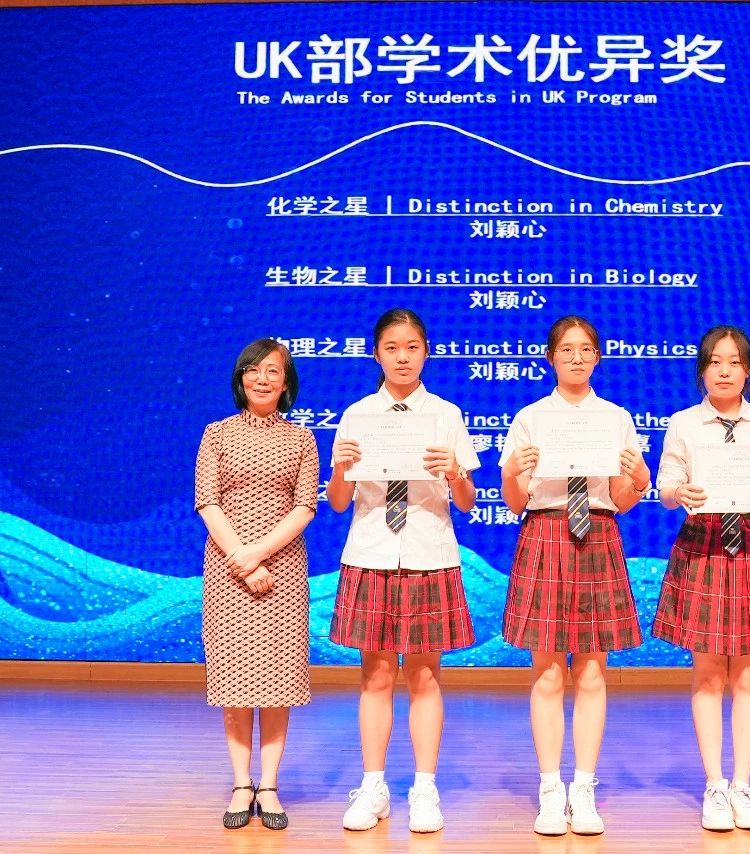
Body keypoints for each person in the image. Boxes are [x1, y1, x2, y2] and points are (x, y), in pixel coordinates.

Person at [327, 308, 480, 834]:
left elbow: (467, 501)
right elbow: (339, 502)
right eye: (392, 348)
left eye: (412, 347)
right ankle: (373, 786)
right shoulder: (357, 415)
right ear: (377, 354)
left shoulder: (445, 415)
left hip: (427, 552)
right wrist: (341, 469)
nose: (402, 357)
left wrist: (454, 472)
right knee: (375, 675)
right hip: (371, 551)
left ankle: (424, 787)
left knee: (424, 674)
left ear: (426, 352)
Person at [498, 315, 650, 837]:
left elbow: (622, 500)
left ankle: (583, 788)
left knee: (591, 672)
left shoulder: (615, 419)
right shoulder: (531, 419)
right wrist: (512, 472)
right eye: (567, 349)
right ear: (551, 358)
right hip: (545, 532)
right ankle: (549, 788)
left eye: (586, 349)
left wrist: (640, 480)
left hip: (599, 534)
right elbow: (514, 501)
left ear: (597, 358)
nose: (577, 357)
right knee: (546, 673)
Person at [651, 325, 750, 832]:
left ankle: (743, 784)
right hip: (705, 545)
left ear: (747, 371)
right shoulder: (685, 423)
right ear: (702, 370)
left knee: (749, 674)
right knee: (709, 672)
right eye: (715, 361)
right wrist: (681, 493)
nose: (724, 370)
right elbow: (665, 487)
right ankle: (714, 785)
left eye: (734, 362)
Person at [194, 338, 320, 831]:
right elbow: (207, 502)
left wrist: (259, 554)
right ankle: (240, 783)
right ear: (240, 378)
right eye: (253, 369)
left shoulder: (302, 439)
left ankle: (268, 785)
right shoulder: (216, 434)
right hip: (228, 573)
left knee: (278, 680)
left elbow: (305, 507)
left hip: (283, 573)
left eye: (273, 371)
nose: (262, 378)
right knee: (235, 680)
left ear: (286, 383)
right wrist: (243, 561)